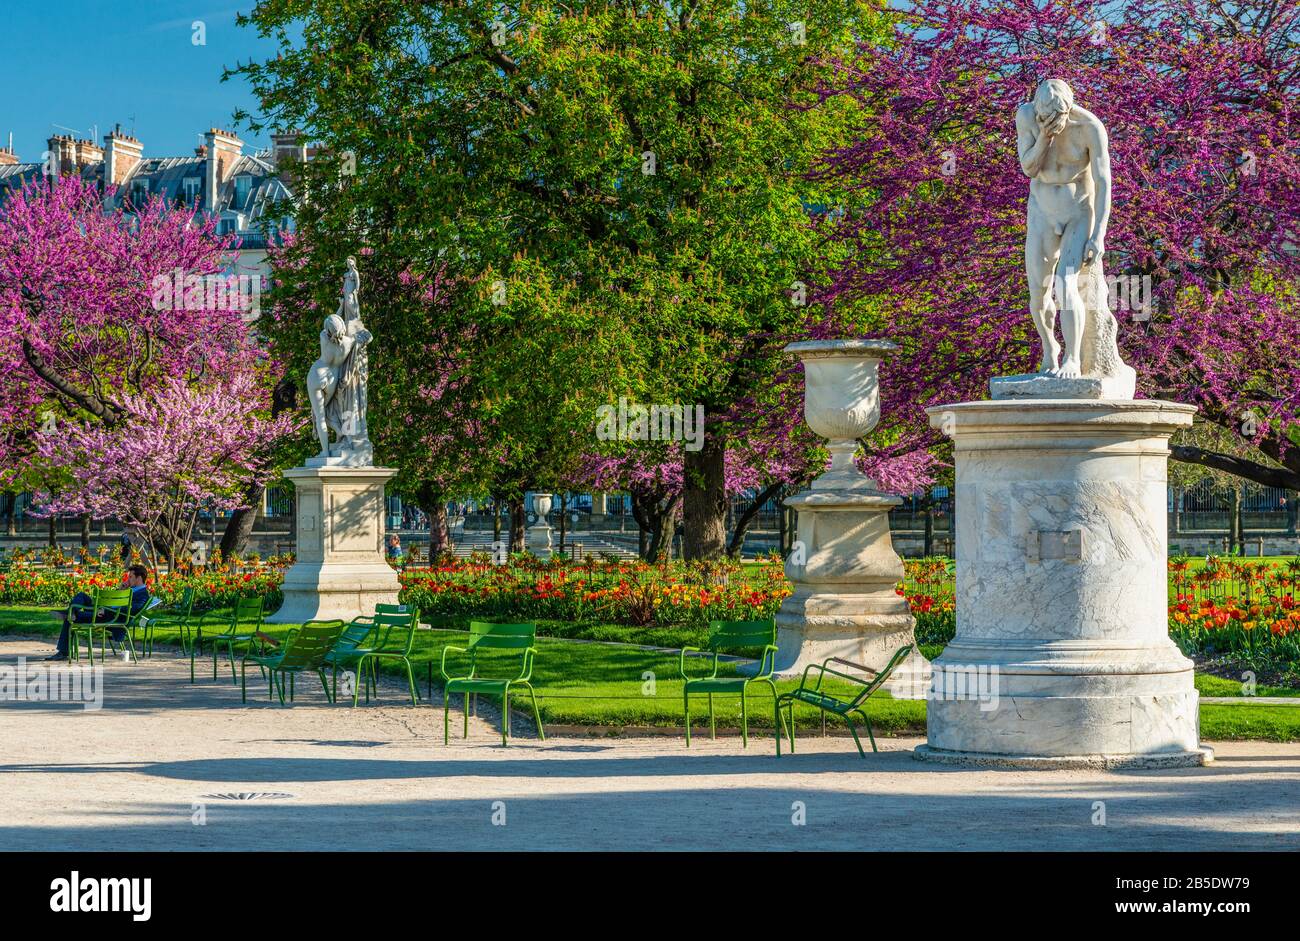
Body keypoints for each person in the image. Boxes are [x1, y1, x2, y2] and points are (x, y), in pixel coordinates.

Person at [47, 564, 150, 662]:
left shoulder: (142, 594)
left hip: (111, 618)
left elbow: (131, 610)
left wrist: (106, 610)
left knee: (70, 618)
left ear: (139, 578)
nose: (128, 580)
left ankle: (63, 651)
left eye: (131, 577)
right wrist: (120, 591)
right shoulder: (130, 590)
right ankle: (71, 612)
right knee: (82, 596)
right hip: (104, 612)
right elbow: (113, 602)